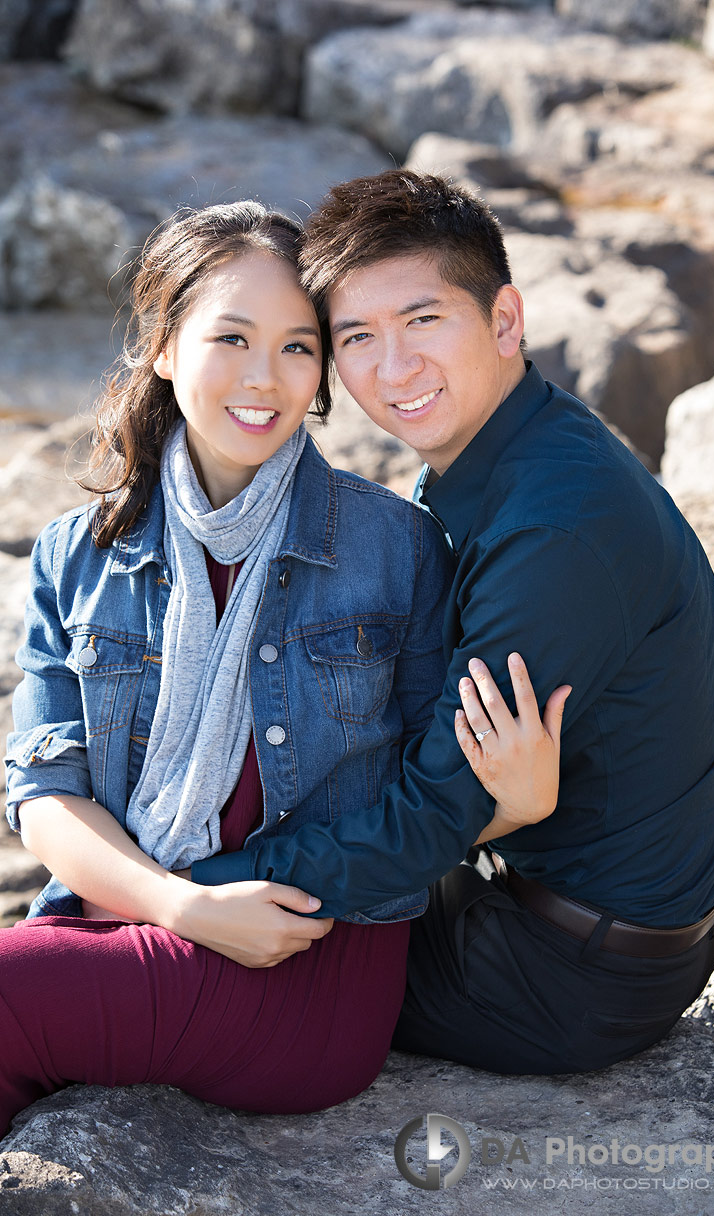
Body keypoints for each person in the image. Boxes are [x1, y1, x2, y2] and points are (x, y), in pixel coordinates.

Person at [0, 199, 562, 1137]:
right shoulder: (79, 553)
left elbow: (437, 797)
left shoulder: (395, 548)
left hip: (309, 966)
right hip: (131, 921)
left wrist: (518, 801)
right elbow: (43, 797)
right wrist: (182, 908)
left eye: (299, 347)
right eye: (232, 337)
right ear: (164, 346)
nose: (264, 379)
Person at [187, 170, 714, 1076]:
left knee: (172, 969)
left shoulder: (552, 530)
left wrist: (179, 896)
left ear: (503, 320)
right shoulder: (510, 445)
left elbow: (431, 814)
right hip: (544, 900)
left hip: (563, 975)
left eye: (422, 321)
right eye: (356, 339)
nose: (393, 368)